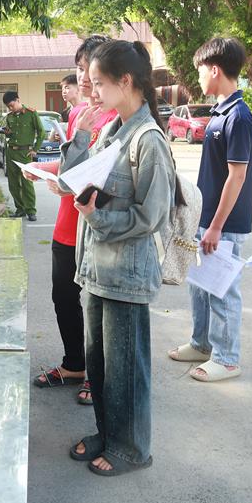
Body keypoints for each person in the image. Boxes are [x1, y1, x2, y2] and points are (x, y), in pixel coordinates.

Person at [61, 40, 175, 476]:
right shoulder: (113, 129)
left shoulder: (148, 139)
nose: (91, 93)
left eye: (98, 85)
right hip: (96, 271)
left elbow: (151, 215)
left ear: (125, 82)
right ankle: (107, 434)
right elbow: (80, 178)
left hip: (125, 274)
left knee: (126, 369)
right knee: (100, 365)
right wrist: (83, 137)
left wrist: (98, 217)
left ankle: (131, 448)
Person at [27, 35, 117, 405]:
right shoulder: (79, 113)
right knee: (63, 296)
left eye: (88, 70)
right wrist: (43, 168)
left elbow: (111, 177)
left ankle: (99, 374)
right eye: (80, 70)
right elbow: (69, 167)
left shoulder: (118, 116)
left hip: (95, 226)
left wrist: (68, 182)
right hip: (66, 225)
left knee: (97, 305)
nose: (81, 78)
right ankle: (74, 364)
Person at [167, 37, 252, 382]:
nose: (199, 78)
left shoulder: (239, 117)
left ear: (215, 69)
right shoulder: (220, 112)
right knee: (200, 284)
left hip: (226, 223)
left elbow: (236, 177)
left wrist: (217, 226)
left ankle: (227, 358)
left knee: (223, 288)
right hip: (206, 218)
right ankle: (201, 343)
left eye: (201, 71)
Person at [2, 91, 44, 221]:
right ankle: (20, 209)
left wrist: (35, 150)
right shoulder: (9, 117)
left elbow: (41, 132)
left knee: (27, 183)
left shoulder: (31, 114)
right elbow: (10, 134)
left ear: (18, 100)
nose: (10, 108)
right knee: (13, 184)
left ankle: (31, 210)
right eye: (8, 106)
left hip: (25, 152)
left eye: (11, 105)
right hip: (11, 152)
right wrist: (7, 133)